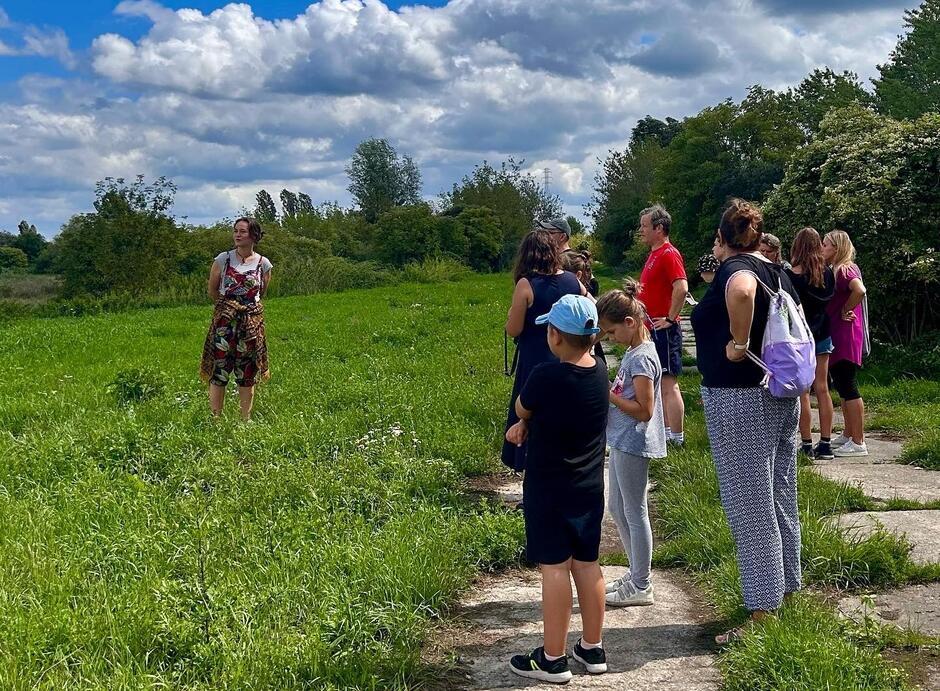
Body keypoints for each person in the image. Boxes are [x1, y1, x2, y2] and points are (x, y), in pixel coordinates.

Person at [690, 199, 802, 644]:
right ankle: (785, 592)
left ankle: (762, 619)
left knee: (749, 507)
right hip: (777, 394)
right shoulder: (775, 269)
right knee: (779, 496)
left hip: (739, 400)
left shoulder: (737, 269)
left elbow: (739, 291)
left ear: (723, 237)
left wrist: (737, 341)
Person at [505, 294, 609, 682]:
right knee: (587, 564)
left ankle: (552, 658)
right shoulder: (600, 372)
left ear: (555, 336)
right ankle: (592, 647)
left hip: (549, 487)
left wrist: (525, 422)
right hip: (588, 486)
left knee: (554, 567)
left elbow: (522, 408)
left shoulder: (545, 376)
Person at [597, 278, 666, 608]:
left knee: (635, 512)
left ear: (629, 323)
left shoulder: (640, 358)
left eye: (611, 333)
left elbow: (644, 409)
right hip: (622, 441)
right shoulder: (635, 350)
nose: (610, 339)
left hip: (633, 442)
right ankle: (635, 571)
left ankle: (642, 583)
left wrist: (608, 395)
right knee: (617, 508)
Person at [502, 230, 585, 472]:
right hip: (569, 357)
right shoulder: (572, 280)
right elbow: (591, 303)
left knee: (529, 414)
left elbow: (514, 329)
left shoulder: (526, 284)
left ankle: (531, 471)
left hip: (535, 359)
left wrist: (510, 317)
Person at [200, 217, 273, 420]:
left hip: (250, 324)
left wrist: (246, 310)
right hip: (225, 324)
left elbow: (262, 293)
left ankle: (245, 420)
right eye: (235, 231)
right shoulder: (223, 259)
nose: (237, 235)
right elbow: (212, 290)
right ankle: (215, 419)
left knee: (247, 372)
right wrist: (228, 308)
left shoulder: (263, 264)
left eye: (242, 231)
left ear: (254, 235)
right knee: (219, 370)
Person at [636, 205, 688, 445]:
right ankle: (666, 434)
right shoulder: (654, 253)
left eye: (645, 226)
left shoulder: (668, 253)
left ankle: (677, 437)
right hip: (651, 327)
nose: (641, 230)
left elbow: (682, 287)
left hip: (663, 329)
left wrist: (669, 318)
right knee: (659, 383)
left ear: (659, 228)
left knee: (668, 384)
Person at [786, 228, 836, 460]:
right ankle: (825, 443)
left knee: (803, 392)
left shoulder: (792, 275)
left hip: (801, 336)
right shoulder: (827, 273)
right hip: (823, 332)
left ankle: (806, 443)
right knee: (823, 388)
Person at [823, 230, 869, 457]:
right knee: (841, 383)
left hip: (845, 333)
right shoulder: (840, 268)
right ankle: (849, 433)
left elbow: (859, 290)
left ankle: (859, 441)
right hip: (839, 331)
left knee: (848, 384)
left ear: (837, 248)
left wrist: (845, 309)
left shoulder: (844, 269)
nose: (823, 249)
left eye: (826, 245)